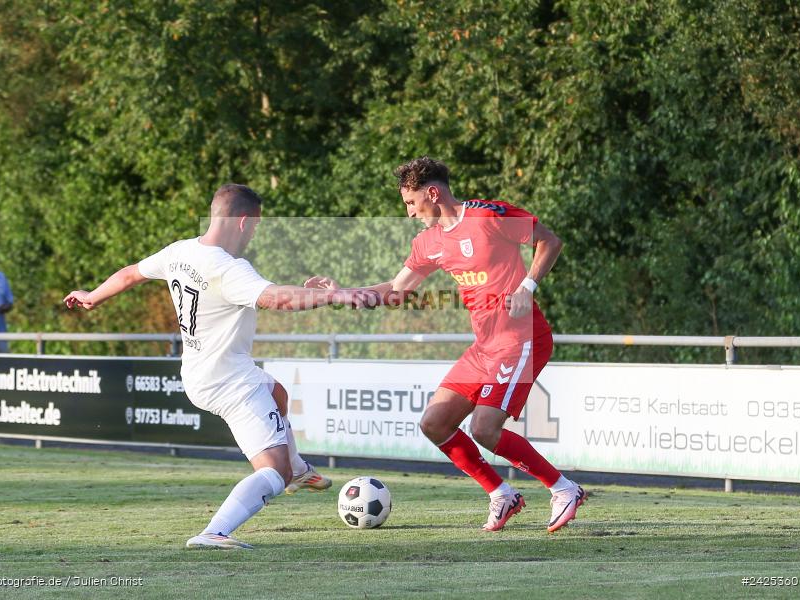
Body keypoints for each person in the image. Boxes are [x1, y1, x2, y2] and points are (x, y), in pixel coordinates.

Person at [64, 184, 374, 549]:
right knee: (273, 470)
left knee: (278, 393)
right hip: (231, 382)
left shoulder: (180, 251)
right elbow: (276, 298)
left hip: (198, 373)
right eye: (256, 225)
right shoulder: (228, 269)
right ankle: (217, 530)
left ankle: (299, 472)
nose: (255, 232)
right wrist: (333, 295)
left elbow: (132, 272)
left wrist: (92, 297)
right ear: (243, 221)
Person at [306, 157, 585, 533]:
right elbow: (396, 290)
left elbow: (549, 241)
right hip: (484, 347)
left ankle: (563, 489)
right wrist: (343, 294)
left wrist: (527, 286)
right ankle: (501, 494)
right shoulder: (428, 242)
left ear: (433, 193)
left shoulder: (490, 216)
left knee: (485, 428)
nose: (408, 213)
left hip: (521, 339)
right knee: (435, 423)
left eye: (410, 203)